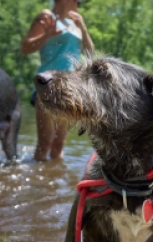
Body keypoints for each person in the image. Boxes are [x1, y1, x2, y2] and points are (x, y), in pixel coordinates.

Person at [21, 0, 94, 161]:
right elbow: (25, 48)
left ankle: (55, 181)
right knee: (45, 144)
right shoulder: (47, 16)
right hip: (47, 83)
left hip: (69, 88)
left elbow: (90, 53)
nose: (79, 4)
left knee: (59, 145)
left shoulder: (75, 23)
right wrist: (47, 35)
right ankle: (38, 183)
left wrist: (82, 27)